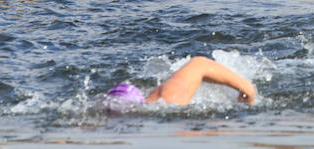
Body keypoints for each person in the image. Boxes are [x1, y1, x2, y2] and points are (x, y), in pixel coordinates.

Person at [106, 56, 256, 107]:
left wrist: (246, 89)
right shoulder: (169, 100)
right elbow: (199, 64)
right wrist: (248, 92)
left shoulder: (167, 97)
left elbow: (200, 64)